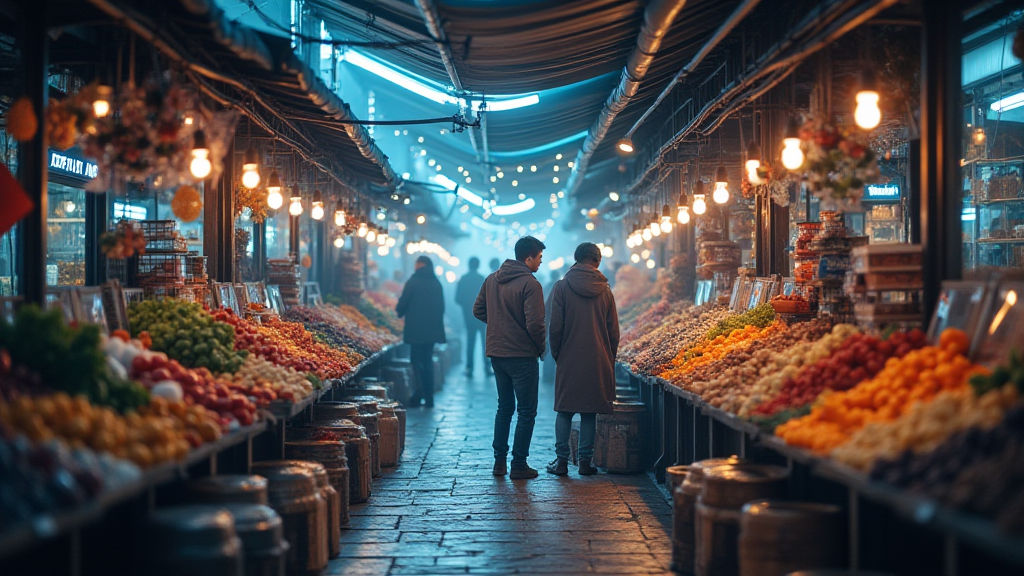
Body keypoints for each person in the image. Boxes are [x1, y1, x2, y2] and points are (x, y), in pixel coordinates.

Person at [474, 236, 546, 480]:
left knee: (504, 408)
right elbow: (535, 324)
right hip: (522, 355)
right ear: (528, 258)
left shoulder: (491, 279)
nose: (540, 262)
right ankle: (519, 464)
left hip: (497, 353)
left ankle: (499, 462)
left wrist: (499, 324)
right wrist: (541, 347)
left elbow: (478, 310)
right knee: (526, 411)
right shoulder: (531, 284)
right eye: (539, 257)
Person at [546, 242, 620, 476]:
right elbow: (613, 331)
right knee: (590, 412)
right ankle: (585, 462)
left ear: (576, 259)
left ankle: (561, 462)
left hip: (569, 356)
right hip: (597, 358)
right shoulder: (605, 290)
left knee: (564, 410)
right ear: (597, 261)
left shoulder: (561, 287)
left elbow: (555, 327)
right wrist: (609, 357)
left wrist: (557, 354)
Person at [396, 255, 446, 408]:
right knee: (427, 362)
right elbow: (442, 308)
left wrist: (399, 311)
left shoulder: (413, 282)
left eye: (416, 263)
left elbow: (403, 303)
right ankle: (429, 397)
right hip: (431, 331)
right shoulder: (436, 283)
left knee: (416, 362)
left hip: (416, 330)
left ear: (420, 264)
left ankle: (418, 395)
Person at [455, 257, 487, 377]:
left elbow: (457, 298)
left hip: (468, 316)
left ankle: (469, 368)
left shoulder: (463, 279)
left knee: (470, 341)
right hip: (482, 316)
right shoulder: (482, 279)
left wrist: (466, 305)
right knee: (485, 342)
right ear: (478, 265)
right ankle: (487, 367)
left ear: (469, 265)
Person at [541, 270, 561, 384]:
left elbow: (545, 305)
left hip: (549, 320)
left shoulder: (548, 286)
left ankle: (547, 376)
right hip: (556, 320)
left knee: (549, 349)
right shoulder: (559, 287)